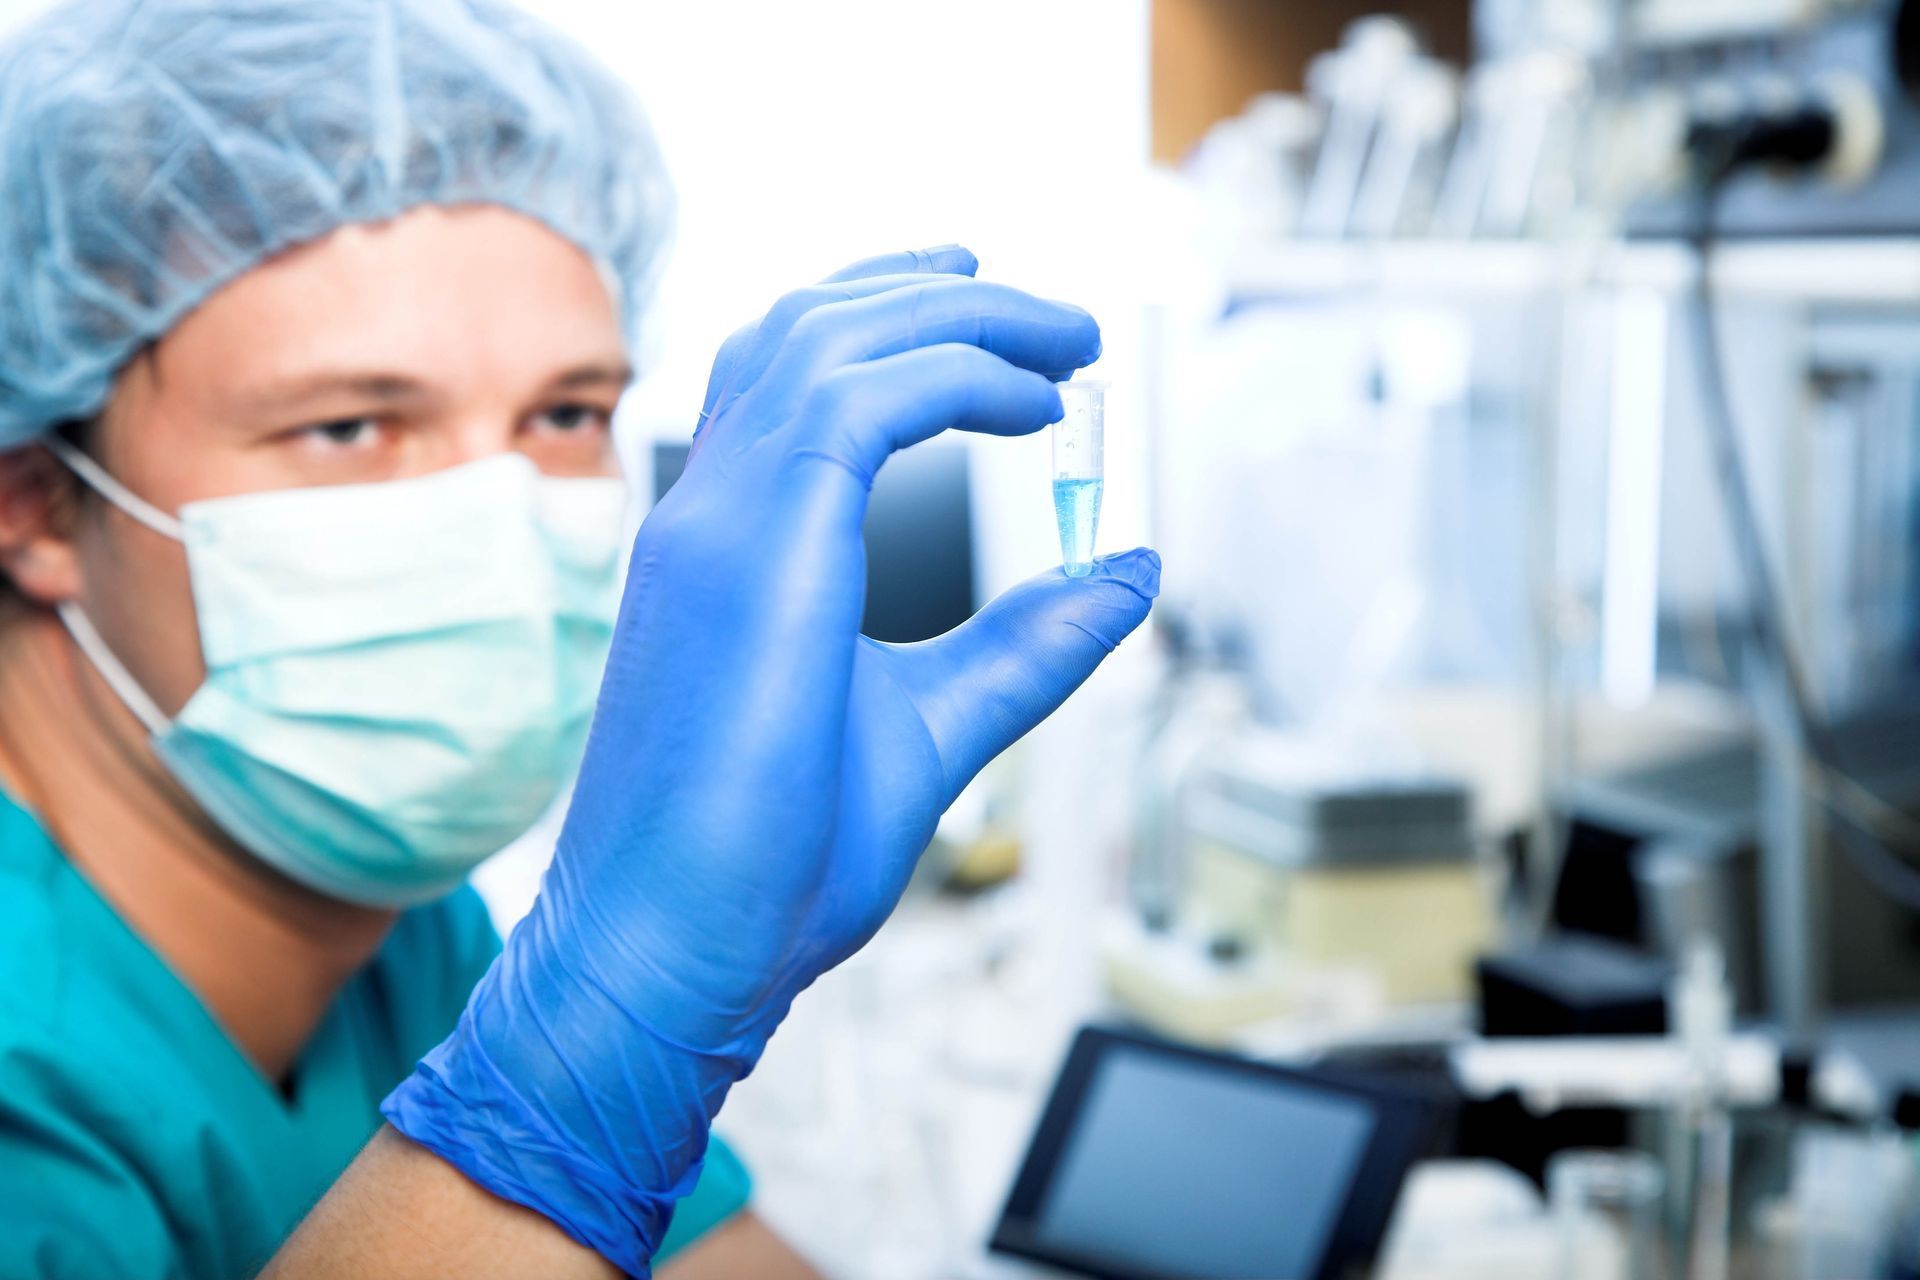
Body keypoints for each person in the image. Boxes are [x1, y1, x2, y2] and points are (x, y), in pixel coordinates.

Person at [0, 1, 1158, 1277]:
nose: (500, 519)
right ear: (34, 500)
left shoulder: (392, 931)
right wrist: (597, 1056)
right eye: (346, 425)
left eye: (565, 412)